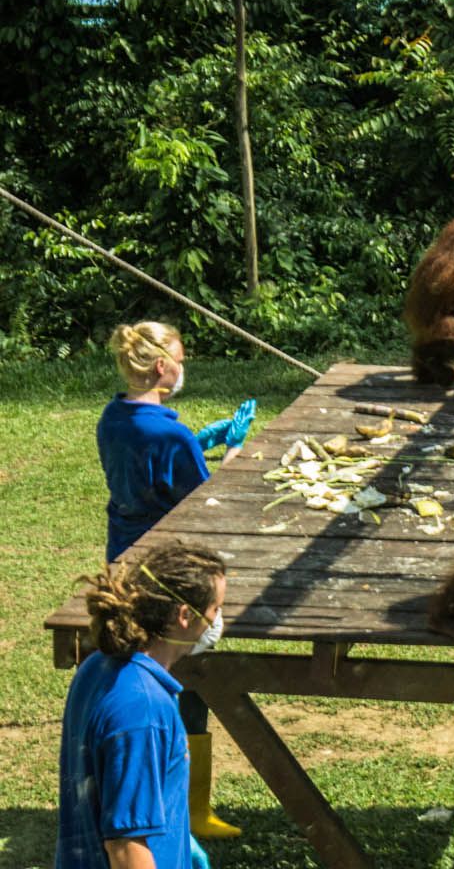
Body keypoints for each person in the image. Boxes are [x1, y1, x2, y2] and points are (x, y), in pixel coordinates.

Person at [97, 322, 255, 839]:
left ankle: (178, 808)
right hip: (168, 576)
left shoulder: (113, 418)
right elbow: (204, 502)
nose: (185, 367)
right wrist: (230, 453)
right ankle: (192, 811)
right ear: (162, 367)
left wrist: (194, 442)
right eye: (181, 358)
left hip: (123, 562)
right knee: (192, 680)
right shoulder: (170, 434)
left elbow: (151, 473)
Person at [56, 542, 228, 869]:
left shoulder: (99, 666)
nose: (218, 620)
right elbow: (125, 847)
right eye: (215, 609)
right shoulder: (143, 709)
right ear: (183, 616)